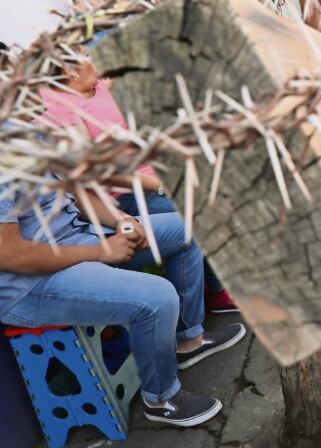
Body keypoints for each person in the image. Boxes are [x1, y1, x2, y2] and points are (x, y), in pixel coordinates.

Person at [0, 126, 246, 427]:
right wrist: (103, 252)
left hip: (80, 238)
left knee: (189, 230)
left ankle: (188, 341)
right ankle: (161, 399)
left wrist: (124, 221)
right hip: (31, 285)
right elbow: (10, 254)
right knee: (156, 297)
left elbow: (74, 191)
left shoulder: (25, 128)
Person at [36, 52, 239, 314]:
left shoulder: (100, 87)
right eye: (85, 54)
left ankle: (219, 285)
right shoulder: (61, 106)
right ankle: (214, 295)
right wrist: (156, 184)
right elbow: (96, 168)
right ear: (69, 70)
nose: (94, 55)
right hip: (125, 192)